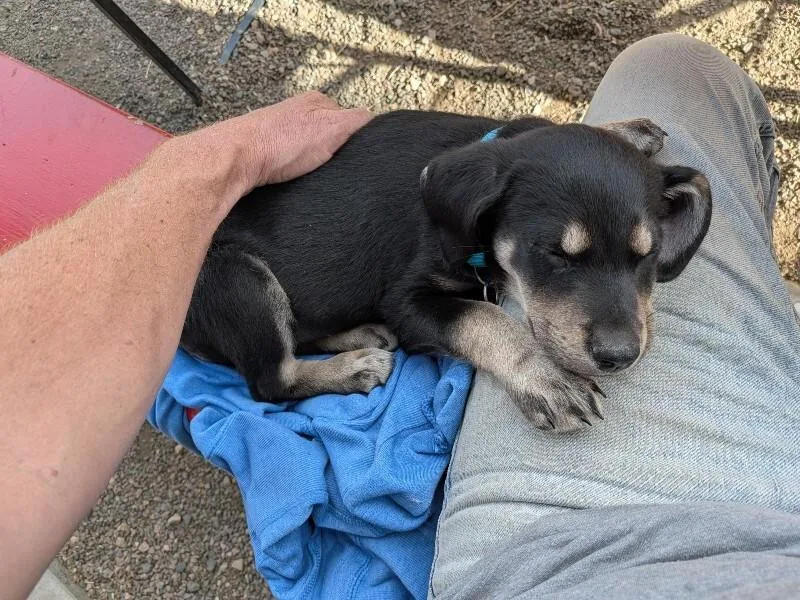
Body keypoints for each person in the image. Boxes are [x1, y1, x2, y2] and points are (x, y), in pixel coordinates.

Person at [1, 33, 798, 600]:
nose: (621, 330)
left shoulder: (500, 167)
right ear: (478, 217)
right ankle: (292, 370)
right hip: (236, 273)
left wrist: (601, 152)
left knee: (666, 64)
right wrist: (520, 359)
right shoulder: (459, 209)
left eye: (639, 260)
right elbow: (416, 305)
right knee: (231, 282)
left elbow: (535, 157)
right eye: (560, 260)